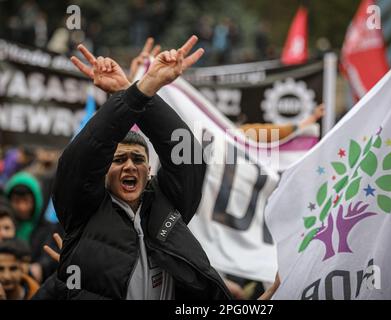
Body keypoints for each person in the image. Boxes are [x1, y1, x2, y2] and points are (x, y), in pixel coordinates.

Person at [33, 35, 231, 300]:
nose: (129, 166)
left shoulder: (169, 206)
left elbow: (189, 155)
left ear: (149, 170)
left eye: (138, 159)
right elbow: (81, 158)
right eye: (119, 159)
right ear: (102, 171)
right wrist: (137, 92)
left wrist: (135, 90)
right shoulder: (83, 211)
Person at [4, 172, 58, 282]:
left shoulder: (48, 229)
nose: (22, 207)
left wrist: (40, 267)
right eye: (17, 201)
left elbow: (50, 256)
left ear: (36, 201)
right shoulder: (4, 226)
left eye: (26, 201)